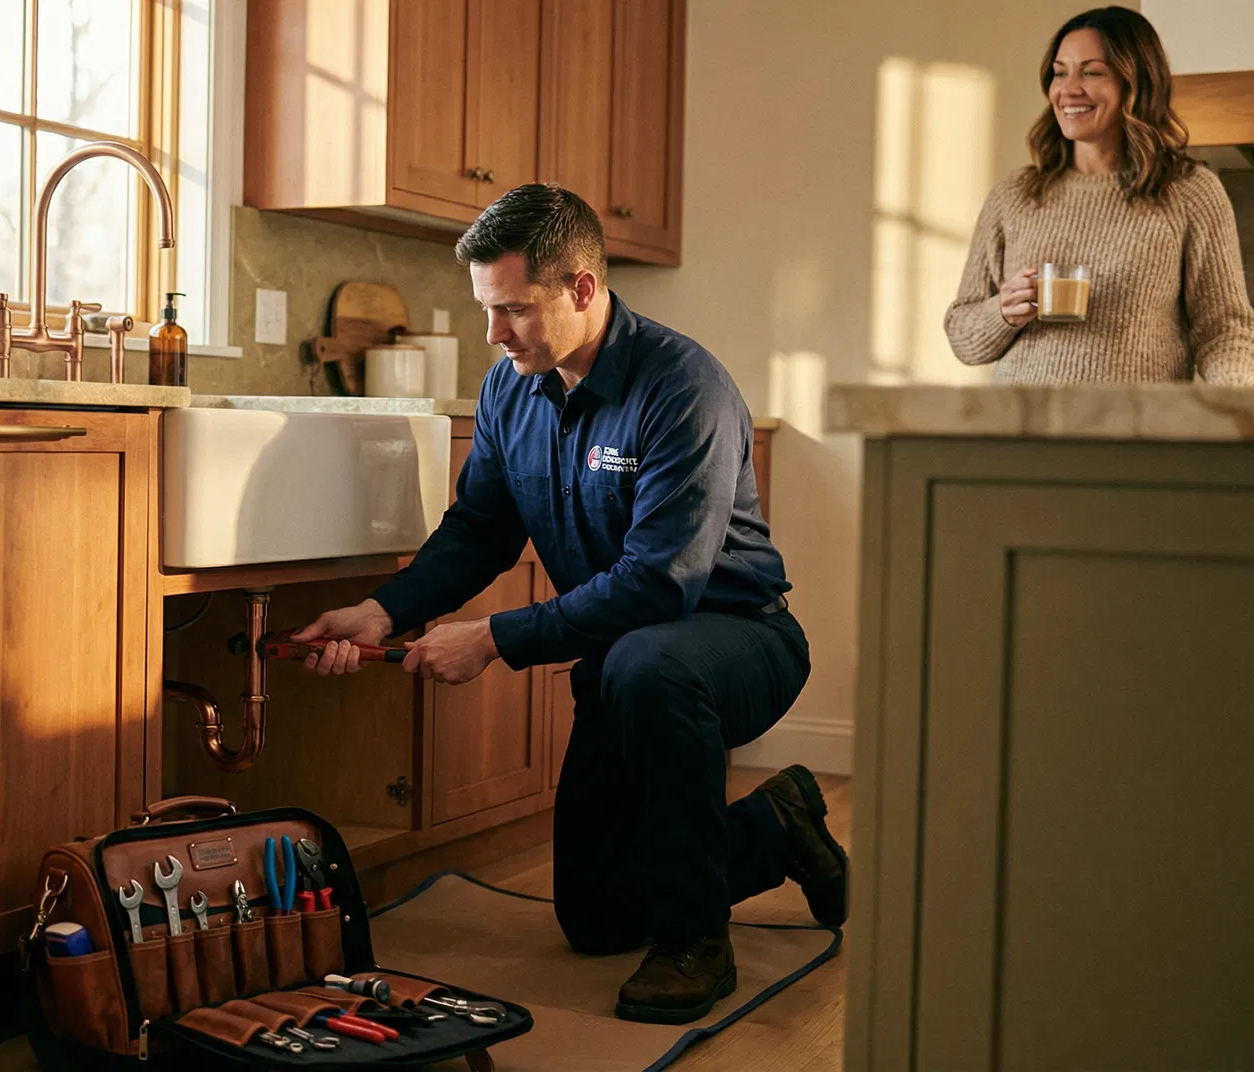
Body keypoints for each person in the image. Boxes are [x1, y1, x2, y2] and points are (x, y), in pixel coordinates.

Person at [291, 185, 847, 1025]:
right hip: (624, 664)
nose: (493, 333)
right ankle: (778, 825)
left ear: (582, 289)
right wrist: (382, 611)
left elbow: (662, 586)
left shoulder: (681, 385)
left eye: (512, 309)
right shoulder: (513, 388)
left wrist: (496, 639)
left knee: (646, 659)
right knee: (594, 915)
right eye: (487, 309)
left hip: (736, 641)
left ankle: (696, 941)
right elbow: (479, 530)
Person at [944, 5, 1254, 385]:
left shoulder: (1189, 192)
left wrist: (1240, 408)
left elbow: (1225, 330)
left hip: (1136, 435)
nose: (1068, 89)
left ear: (1136, 83)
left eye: (1091, 72)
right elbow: (962, 336)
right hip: (1021, 434)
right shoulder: (1015, 195)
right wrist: (1003, 312)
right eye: (1059, 73)